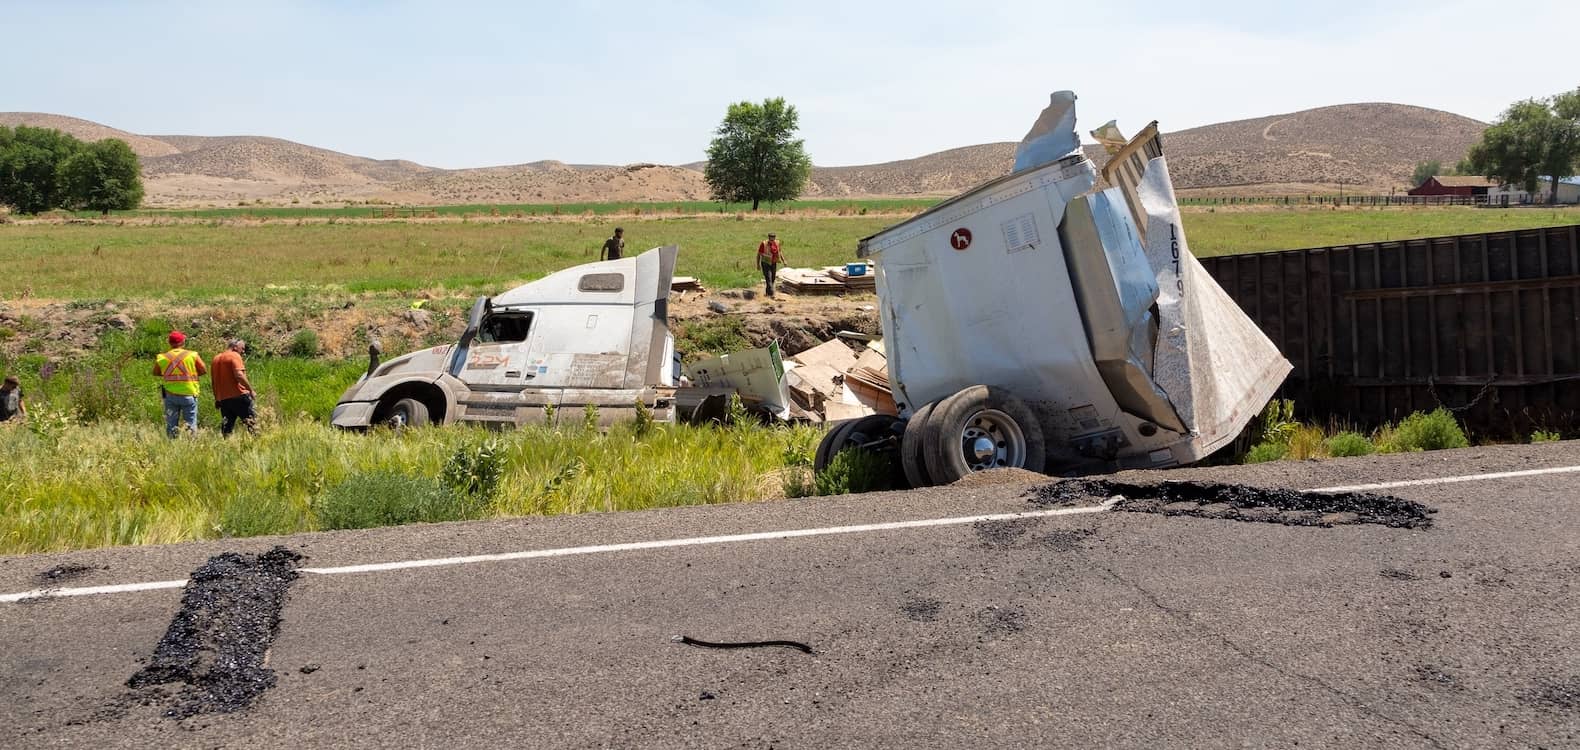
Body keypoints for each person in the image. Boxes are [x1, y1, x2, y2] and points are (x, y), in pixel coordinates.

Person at [154, 331, 206, 438]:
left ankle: (172, 445)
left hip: (170, 395)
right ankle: (191, 446)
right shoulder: (192, 355)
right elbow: (203, 370)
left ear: (169, 343)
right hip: (189, 393)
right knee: (190, 424)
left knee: (171, 424)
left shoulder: (162, 357)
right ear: (183, 341)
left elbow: (156, 372)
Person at [211, 338, 258, 437]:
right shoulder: (234, 356)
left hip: (224, 399)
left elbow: (215, 382)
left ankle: (228, 447)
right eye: (242, 348)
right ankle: (257, 444)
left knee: (227, 428)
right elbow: (239, 375)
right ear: (235, 347)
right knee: (252, 424)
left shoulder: (216, 359)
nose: (243, 351)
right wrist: (250, 390)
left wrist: (217, 398)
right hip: (239, 395)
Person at [757, 232, 784, 298]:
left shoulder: (777, 243)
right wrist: (758, 264)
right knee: (768, 278)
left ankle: (767, 293)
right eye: (771, 239)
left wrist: (784, 260)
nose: (772, 240)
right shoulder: (764, 244)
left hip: (773, 263)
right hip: (765, 263)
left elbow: (780, 252)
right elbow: (758, 254)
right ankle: (772, 294)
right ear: (768, 238)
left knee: (773, 278)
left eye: (773, 239)